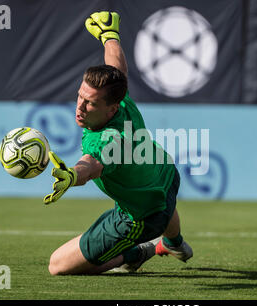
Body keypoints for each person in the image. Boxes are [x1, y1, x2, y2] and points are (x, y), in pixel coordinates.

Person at [43, 11, 193, 275]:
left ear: (111, 110)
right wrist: (109, 36)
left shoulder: (110, 142)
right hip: (165, 175)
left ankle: (139, 251)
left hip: (140, 218)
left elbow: (89, 166)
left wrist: (70, 176)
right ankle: (174, 242)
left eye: (90, 103)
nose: (80, 106)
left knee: (58, 265)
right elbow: (117, 69)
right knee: (161, 199)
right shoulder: (120, 99)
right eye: (80, 96)